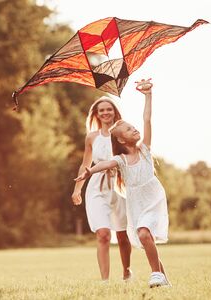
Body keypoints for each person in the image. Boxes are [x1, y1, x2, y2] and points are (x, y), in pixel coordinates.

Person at [75, 79, 170, 288]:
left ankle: (155, 274)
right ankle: (163, 278)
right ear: (121, 140)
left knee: (144, 234)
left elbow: (147, 119)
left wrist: (148, 95)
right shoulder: (120, 160)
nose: (135, 129)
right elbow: (105, 163)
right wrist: (89, 171)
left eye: (133, 127)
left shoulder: (145, 149)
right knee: (146, 239)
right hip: (135, 203)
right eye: (129, 130)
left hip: (152, 200)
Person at [71, 96, 132, 281]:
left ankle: (126, 271)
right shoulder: (91, 137)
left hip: (120, 185)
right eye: (101, 110)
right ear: (96, 114)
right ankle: (105, 281)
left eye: (109, 109)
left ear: (115, 112)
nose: (105, 113)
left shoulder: (123, 134)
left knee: (123, 235)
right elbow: (85, 165)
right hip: (97, 186)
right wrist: (77, 189)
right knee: (103, 234)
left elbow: (133, 157)